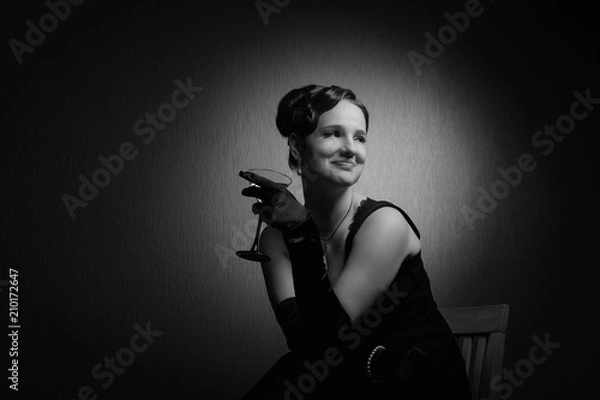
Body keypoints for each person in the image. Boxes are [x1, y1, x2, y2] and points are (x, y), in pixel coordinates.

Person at [239, 84, 471, 399]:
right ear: (296, 146)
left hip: (416, 384)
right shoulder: (275, 237)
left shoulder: (385, 225)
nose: (351, 148)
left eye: (360, 137)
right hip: (348, 378)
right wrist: (298, 231)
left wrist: (301, 232)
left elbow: (329, 340)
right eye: (333, 133)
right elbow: (304, 342)